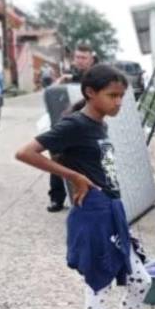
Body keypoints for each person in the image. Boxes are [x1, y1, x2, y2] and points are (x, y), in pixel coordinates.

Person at [15, 64, 155, 309]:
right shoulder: (75, 124)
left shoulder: (98, 124)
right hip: (92, 213)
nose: (118, 102)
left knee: (139, 279)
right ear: (91, 93)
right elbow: (25, 152)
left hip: (110, 210)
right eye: (112, 95)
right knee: (98, 284)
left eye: (122, 95)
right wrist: (74, 176)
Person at [47, 43, 96, 213]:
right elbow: (51, 96)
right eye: (77, 57)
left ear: (91, 59)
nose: (80, 61)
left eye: (84, 58)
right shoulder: (70, 77)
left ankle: (88, 197)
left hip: (87, 127)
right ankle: (56, 198)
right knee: (57, 160)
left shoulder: (97, 78)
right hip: (66, 125)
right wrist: (59, 82)